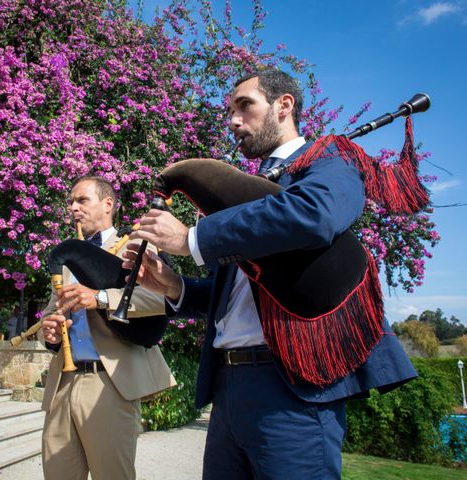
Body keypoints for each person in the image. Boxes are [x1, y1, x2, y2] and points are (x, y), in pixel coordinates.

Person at [125, 70, 417, 479]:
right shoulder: (247, 194)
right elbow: (241, 300)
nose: (232, 120)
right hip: (229, 388)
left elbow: (316, 215)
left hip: (293, 388)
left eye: (245, 105)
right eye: (229, 110)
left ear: (284, 106)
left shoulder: (331, 161)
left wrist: (194, 237)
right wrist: (172, 286)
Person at [40, 175, 176, 480]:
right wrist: (47, 332)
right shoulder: (66, 258)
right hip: (62, 382)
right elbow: (51, 312)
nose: (74, 207)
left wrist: (100, 297)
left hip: (109, 384)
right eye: (71, 202)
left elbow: (160, 299)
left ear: (108, 204)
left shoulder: (138, 243)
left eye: (82, 200)